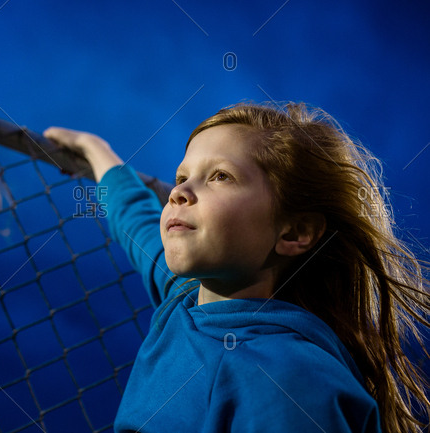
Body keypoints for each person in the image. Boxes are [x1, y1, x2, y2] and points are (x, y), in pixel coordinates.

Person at [44, 102, 430, 433]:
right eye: (182, 177)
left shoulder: (291, 381)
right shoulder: (186, 301)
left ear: (295, 231)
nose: (178, 192)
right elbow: (136, 220)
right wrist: (98, 153)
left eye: (220, 176)